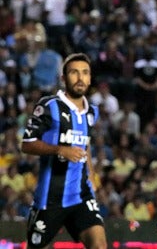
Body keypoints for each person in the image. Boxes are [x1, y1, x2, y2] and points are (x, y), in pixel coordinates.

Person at [21, 53, 107, 249]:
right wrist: (60, 149)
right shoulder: (49, 106)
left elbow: (85, 144)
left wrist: (92, 173)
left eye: (85, 73)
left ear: (90, 78)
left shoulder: (92, 112)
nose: (80, 78)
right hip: (50, 199)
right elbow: (27, 143)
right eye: (74, 72)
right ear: (63, 78)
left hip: (81, 195)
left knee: (99, 245)